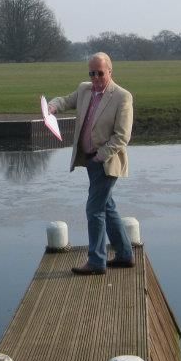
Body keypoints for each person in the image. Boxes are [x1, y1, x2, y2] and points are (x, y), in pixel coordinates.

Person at [47, 52, 135, 275]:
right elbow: (66, 100)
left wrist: (100, 155)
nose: (95, 78)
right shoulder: (85, 89)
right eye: (92, 73)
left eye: (100, 73)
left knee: (94, 209)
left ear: (110, 71)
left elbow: (122, 136)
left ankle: (97, 262)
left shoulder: (122, 97)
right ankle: (125, 255)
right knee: (107, 206)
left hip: (106, 163)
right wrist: (52, 107)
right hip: (90, 160)